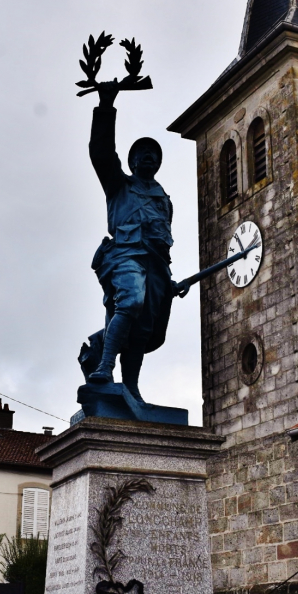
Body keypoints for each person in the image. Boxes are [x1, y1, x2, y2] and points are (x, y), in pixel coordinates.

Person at [84, 79, 188, 401]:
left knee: (143, 329)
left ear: (159, 162)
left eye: (153, 153)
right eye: (141, 152)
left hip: (156, 267)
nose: (147, 156)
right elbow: (101, 153)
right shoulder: (118, 185)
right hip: (124, 256)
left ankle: (131, 387)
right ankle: (103, 365)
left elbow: (163, 246)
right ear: (131, 162)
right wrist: (105, 106)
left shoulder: (164, 201)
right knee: (130, 300)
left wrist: (170, 282)